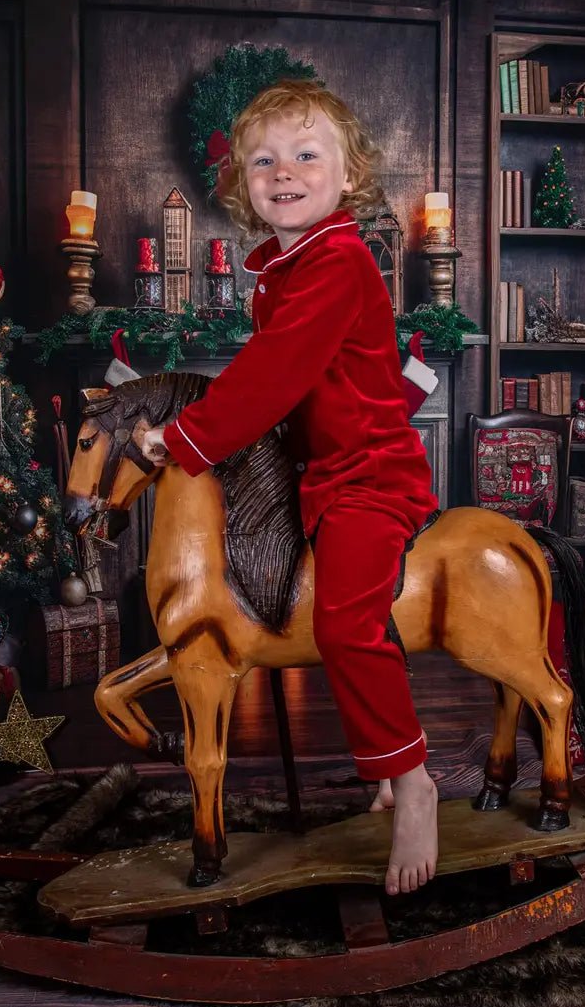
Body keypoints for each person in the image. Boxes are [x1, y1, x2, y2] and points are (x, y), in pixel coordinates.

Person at [140, 79, 438, 895]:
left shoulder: (338, 262)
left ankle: (413, 778)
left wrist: (185, 437)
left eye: (307, 156)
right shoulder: (285, 267)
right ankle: (381, 768)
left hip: (372, 476)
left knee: (343, 622)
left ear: (347, 178)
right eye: (264, 160)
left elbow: (272, 376)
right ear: (242, 183)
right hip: (322, 476)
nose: (284, 171)